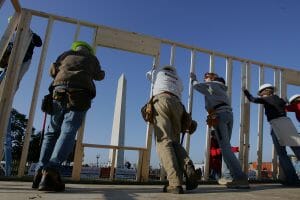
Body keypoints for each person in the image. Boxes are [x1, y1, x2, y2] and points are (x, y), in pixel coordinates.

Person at [32, 41, 105, 191]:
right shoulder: (92, 58)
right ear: (89, 50)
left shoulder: (65, 54)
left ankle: (39, 173)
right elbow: (99, 76)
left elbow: (52, 71)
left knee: (51, 133)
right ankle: (51, 171)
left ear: (75, 48)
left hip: (58, 91)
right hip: (80, 93)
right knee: (68, 131)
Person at [191, 72, 249, 189]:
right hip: (228, 115)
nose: (205, 79)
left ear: (213, 79)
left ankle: (240, 178)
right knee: (226, 147)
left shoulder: (212, 86)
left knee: (225, 148)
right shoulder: (220, 88)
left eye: (207, 77)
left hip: (220, 116)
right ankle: (228, 176)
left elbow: (196, 86)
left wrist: (194, 79)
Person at [145, 65, 198, 194]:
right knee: (174, 142)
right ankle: (188, 165)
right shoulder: (178, 79)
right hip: (178, 105)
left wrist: (153, 69)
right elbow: (181, 89)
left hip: (161, 101)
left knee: (164, 141)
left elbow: (148, 75)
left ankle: (174, 183)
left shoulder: (158, 73)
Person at [0, 18, 42, 176]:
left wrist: (31, 35)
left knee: (11, 87)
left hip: (20, 63)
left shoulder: (29, 35)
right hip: (8, 64)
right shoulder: (11, 34)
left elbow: (39, 43)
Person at [244, 84, 300, 186]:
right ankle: (293, 180)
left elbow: (252, 99)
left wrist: (245, 91)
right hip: (288, 123)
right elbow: (286, 104)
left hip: (277, 124)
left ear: (264, 92)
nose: (260, 96)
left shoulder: (267, 99)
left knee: (282, 154)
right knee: (297, 150)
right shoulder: (279, 99)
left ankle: (293, 180)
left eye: (261, 94)